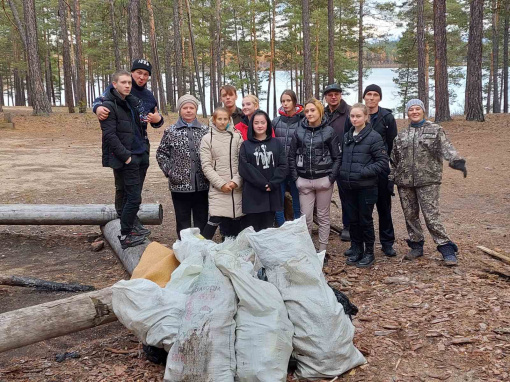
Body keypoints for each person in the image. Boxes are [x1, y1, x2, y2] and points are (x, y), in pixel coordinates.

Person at [391, 99, 467, 266]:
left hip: (428, 181)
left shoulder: (435, 130)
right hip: (404, 182)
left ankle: (446, 248)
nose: (415, 112)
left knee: (431, 216)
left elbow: (447, 148)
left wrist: (456, 160)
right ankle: (416, 245)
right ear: (407, 113)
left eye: (418, 108)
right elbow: (394, 160)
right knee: (410, 216)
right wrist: (390, 179)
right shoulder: (402, 135)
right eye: (411, 109)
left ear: (423, 111)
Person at [93, 59, 164, 237]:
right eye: (138, 73)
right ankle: (125, 221)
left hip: (142, 146)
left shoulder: (148, 96)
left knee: (136, 188)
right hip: (124, 148)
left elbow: (155, 118)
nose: (141, 77)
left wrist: (158, 120)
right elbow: (102, 100)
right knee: (123, 187)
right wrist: (97, 108)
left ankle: (131, 219)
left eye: (145, 74)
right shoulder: (119, 90)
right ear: (131, 73)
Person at [99, 70, 149, 249]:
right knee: (133, 197)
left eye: (129, 82)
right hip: (128, 158)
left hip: (140, 153)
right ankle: (126, 234)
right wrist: (126, 157)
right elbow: (110, 136)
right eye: (123, 82)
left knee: (131, 195)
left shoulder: (131, 102)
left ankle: (132, 228)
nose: (127, 85)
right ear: (114, 84)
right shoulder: (108, 106)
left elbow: (142, 126)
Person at [339, 103, 389, 268]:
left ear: (366, 117)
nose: (354, 119)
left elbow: (382, 162)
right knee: (352, 219)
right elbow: (342, 158)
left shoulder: (374, 137)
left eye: (358, 116)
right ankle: (356, 248)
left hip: (366, 187)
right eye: (352, 116)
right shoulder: (347, 136)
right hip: (348, 186)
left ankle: (369, 252)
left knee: (364, 220)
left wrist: (362, 172)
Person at [288, 98, 341, 253]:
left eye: (313, 110)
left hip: (323, 180)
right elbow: (291, 156)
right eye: (307, 111)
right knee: (306, 218)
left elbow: (337, 157)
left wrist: (331, 178)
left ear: (320, 112)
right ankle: (307, 250)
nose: (309, 113)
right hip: (304, 181)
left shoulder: (329, 131)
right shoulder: (299, 131)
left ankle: (322, 251)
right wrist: (296, 178)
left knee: (324, 217)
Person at [156, 95, 209, 239]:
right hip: (179, 186)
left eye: (191, 108)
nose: (188, 111)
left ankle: (202, 247)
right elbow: (161, 154)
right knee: (182, 220)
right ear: (180, 110)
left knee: (202, 218)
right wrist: (170, 172)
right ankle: (184, 248)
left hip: (202, 184)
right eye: (185, 108)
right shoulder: (171, 131)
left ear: (196, 110)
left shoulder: (205, 130)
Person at [357, 84, 398, 257]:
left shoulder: (386, 117)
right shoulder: (357, 115)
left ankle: (387, 242)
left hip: (381, 170)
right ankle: (361, 242)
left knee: (384, 207)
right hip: (361, 169)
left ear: (379, 98)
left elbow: (393, 144)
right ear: (364, 97)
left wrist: (388, 168)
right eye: (368, 94)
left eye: (375, 95)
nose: (371, 98)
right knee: (362, 209)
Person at [239, 110, 287, 231]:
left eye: (262, 122)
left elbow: (283, 165)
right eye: (256, 123)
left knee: (268, 227)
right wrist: (262, 183)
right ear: (252, 125)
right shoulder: (246, 145)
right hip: (253, 192)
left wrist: (272, 183)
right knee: (253, 228)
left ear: (268, 124)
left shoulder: (277, 143)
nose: (259, 125)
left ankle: (266, 250)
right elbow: (244, 167)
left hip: (271, 191)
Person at [200, 107, 244, 240]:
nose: (222, 122)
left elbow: (243, 162)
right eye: (219, 119)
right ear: (214, 119)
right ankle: (198, 249)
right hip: (218, 189)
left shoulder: (237, 137)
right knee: (214, 221)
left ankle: (232, 253)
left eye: (225, 119)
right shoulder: (207, 139)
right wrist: (221, 184)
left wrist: (236, 181)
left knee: (236, 224)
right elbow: (206, 166)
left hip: (236, 189)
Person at [323, 84, 352, 242]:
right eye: (330, 95)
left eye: (336, 94)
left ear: (340, 95)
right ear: (326, 97)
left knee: (345, 194)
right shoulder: (323, 113)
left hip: (343, 158)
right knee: (322, 193)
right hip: (324, 159)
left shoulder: (349, 112)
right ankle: (322, 225)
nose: (333, 97)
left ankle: (348, 226)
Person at [272, 90, 303, 226]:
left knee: (297, 199)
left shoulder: (303, 121)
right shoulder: (275, 121)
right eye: (283, 101)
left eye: (288, 100)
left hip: (296, 168)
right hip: (280, 168)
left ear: (294, 102)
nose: (285, 104)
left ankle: (297, 227)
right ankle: (281, 227)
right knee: (278, 199)